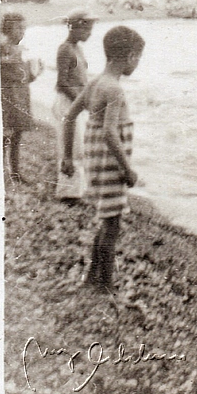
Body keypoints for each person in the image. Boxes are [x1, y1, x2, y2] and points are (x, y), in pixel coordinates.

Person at [61, 26, 144, 291]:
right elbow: (110, 133)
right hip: (111, 165)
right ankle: (104, 284)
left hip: (95, 162)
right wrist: (128, 170)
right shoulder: (114, 89)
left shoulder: (96, 82)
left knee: (107, 221)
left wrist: (67, 157)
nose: (138, 63)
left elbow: (70, 117)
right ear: (130, 56)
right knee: (112, 225)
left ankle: (90, 278)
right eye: (138, 58)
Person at [53, 9, 97, 202]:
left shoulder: (77, 48)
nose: (90, 33)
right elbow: (62, 83)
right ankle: (67, 193)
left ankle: (75, 190)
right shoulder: (65, 49)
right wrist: (82, 101)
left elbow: (80, 79)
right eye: (88, 29)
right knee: (69, 146)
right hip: (68, 103)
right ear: (77, 27)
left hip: (75, 103)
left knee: (78, 146)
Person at [1, 13, 43, 184]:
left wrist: (35, 72)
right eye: (18, 28)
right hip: (8, 97)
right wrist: (29, 70)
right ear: (8, 29)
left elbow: (23, 76)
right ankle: (4, 170)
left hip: (20, 96)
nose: (22, 32)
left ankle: (15, 172)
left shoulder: (19, 49)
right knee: (6, 135)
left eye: (24, 28)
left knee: (17, 135)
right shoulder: (3, 47)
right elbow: (10, 72)